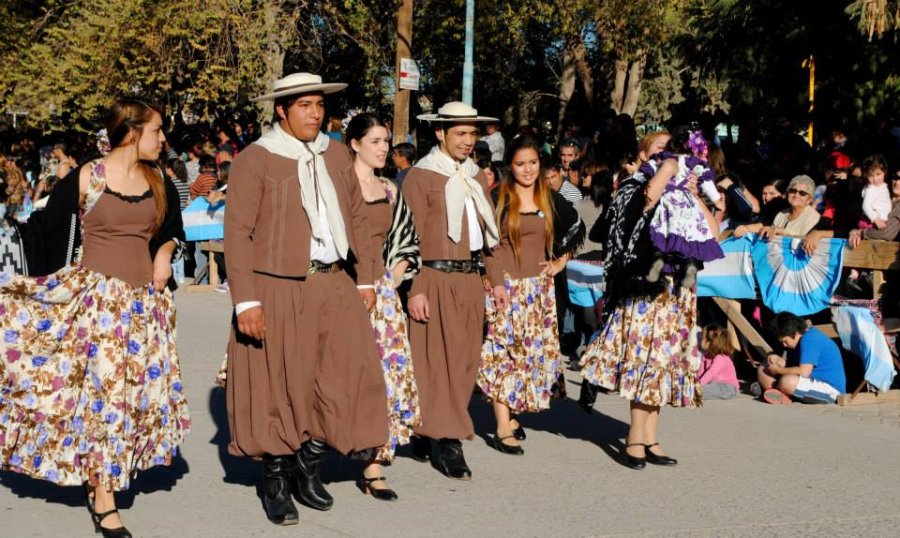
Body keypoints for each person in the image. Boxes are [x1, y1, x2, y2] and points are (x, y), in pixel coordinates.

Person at [0, 98, 190, 537]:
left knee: (130, 401)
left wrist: (164, 254)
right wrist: (39, 294)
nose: (164, 139)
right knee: (105, 403)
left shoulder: (158, 178)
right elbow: (46, 231)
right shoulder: (89, 176)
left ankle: (101, 476)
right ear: (131, 132)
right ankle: (105, 500)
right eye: (157, 130)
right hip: (97, 308)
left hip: (143, 310)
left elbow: (171, 231)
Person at [224, 73, 389, 525]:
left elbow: (357, 218)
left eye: (319, 105)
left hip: (334, 280)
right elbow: (237, 233)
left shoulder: (335, 153)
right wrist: (246, 301)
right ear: (282, 110)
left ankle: (309, 461)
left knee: (348, 376)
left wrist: (366, 278)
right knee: (279, 383)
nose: (315, 113)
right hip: (276, 284)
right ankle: (277, 480)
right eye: (304, 106)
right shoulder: (256, 159)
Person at [579, 129, 711, 470]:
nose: (671, 155)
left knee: (664, 363)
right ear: (643, 154)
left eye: (674, 150)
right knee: (646, 361)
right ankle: (635, 436)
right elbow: (646, 204)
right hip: (645, 288)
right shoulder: (633, 186)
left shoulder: (684, 186)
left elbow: (712, 230)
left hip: (678, 291)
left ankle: (651, 435)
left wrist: (694, 193)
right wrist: (668, 171)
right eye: (661, 149)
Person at [402, 101, 501, 480]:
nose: (467, 140)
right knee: (434, 361)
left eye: (472, 133)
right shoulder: (421, 176)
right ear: (440, 133)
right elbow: (409, 237)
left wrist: (496, 279)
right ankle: (449, 441)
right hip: (434, 276)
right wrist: (416, 288)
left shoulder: (475, 176)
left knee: (464, 362)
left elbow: (489, 232)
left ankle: (427, 428)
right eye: (460, 133)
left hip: (469, 279)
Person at [479, 135, 584, 455]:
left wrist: (560, 261)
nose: (528, 170)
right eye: (520, 164)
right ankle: (502, 425)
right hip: (505, 287)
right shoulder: (498, 198)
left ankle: (511, 413)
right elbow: (485, 245)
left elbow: (576, 226)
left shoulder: (548, 197)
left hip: (538, 291)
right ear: (510, 166)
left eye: (533, 163)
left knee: (526, 357)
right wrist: (491, 279)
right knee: (502, 354)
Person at [346, 113, 422, 501]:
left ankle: (374, 464)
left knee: (386, 377)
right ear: (354, 144)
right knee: (342, 376)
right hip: (342, 290)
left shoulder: (391, 190)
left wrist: (397, 272)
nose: (383, 148)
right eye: (374, 141)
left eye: (386, 141)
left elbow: (408, 237)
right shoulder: (338, 187)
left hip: (382, 296)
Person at [640, 129, 725, 289]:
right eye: (660, 146)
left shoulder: (662, 161)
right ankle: (690, 263)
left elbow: (647, 170)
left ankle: (657, 257)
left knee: (662, 231)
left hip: (668, 204)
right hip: (688, 210)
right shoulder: (695, 166)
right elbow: (708, 183)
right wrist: (717, 201)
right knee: (692, 236)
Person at [757, 312, 846, 404]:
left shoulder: (810, 339)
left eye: (785, 341)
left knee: (787, 382)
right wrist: (778, 361)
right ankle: (779, 394)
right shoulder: (798, 341)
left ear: (795, 333)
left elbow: (804, 372)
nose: (784, 345)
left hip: (830, 389)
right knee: (763, 368)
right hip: (807, 381)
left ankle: (776, 392)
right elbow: (792, 366)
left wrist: (777, 370)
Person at [697, 325, 739, 400]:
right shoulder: (706, 355)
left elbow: (710, 373)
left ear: (711, 342)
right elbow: (701, 373)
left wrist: (698, 385)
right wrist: (695, 381)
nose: (700, 340)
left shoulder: (720, 358)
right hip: (714, 384)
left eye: (703, 338)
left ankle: (690, 394)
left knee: (699, 390)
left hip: (728, 388)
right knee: (698, 388)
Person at [860, 155, 892, 230]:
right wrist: (875, 219)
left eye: (878, 174)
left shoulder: (882, 186)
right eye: (870, 176)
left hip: (880, 221)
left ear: (884, 172)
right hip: (872, 223)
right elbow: (866, 205)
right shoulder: (872, 189)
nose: (875, 179)